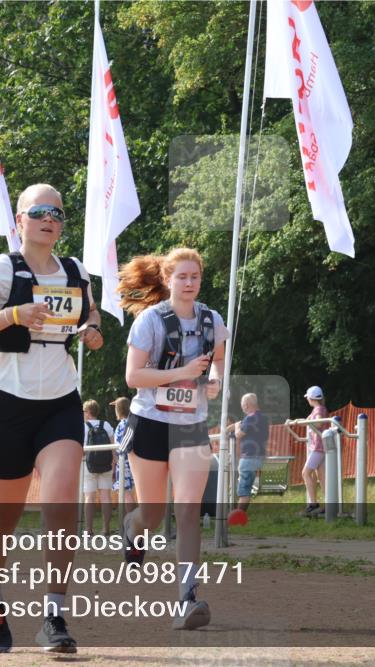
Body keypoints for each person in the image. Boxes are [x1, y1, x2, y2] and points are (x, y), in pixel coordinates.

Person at [0, 183, 103, 654]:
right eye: (38, 211)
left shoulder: (75, 270)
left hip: (60, 401)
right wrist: (13, 313)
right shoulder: (1, 268)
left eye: (56, 212)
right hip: (6, 401)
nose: (48, 218)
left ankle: (54, 616)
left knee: (61, 507)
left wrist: (93, 328)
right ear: (20, 220)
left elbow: (90, 309)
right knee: (5, 515)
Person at [118, 248, 228, 631]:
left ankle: (187, 597)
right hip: (149, 420)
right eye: (181, 277)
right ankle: (132, 528)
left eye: (194, 277)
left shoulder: (213, 320)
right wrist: (180, 371)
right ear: (167, 280)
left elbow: (218, 364)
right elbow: (134, 377)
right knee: (152, 512)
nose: (189, 283)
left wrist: (213, 382)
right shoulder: (150, 320)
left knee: (186, 510)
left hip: (190, 425)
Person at [228, 393, 271, 513]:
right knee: (247, 486)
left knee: (243, 490)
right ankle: (239, 513)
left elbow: (238, 434)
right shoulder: (263, 417)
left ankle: (238, 516)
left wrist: (236, 426)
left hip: (248, 458)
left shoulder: (250, 417)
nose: (242, 408)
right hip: (260, 456)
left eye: (242, 405)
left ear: (246, 405)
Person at [81, 399, 115, 535]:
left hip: (88, 464)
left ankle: (88, 530)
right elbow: (113, 446)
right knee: (106, 496)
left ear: (88, 412)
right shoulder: (106, 425)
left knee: (89, 497)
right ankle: (106, 529)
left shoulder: (83, 426)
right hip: (106, 464)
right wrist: (114, 462)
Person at [301, 386, 328, 517]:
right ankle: (329, 505)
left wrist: (308, 421)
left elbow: (318, 424)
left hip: (318, 448)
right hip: (320, 447)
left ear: (311, 398)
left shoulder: (318, 409)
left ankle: (313, 504)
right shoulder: (318, 409)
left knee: (305, 473)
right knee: (321, 477)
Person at [109, 397, 136, 517]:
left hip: (124, 463)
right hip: (134, 461)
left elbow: (120, 448)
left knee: (127, 494)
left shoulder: (122, 425)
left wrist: (115, 462)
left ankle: (131, 522)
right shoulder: (133, 421)